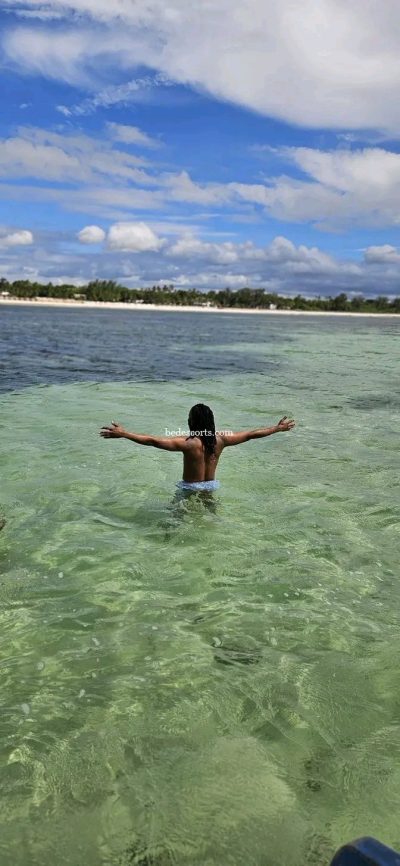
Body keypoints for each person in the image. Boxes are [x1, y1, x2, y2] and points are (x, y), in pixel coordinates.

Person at [100, 403, 295, 493]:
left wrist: (125, 434)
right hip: (211, 487)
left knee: (175, 523)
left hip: (190, 489)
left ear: (191, 422)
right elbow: (251, 434)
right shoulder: (221, 440)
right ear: (211, 422)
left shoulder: (188, 443)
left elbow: (152, 441)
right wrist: (276, 428)